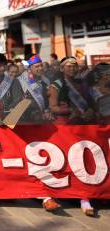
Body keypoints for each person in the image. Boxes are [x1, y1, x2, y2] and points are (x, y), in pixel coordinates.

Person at [48, 56, 96, 216]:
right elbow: (53, 108)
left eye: (74, 66)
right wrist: (69, 111)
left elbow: (92, 103)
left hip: (82, 127)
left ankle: (85, 199)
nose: (72, 68)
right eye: (68, 66)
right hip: (64, 129)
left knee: (83, 163)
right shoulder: (56, 85)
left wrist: (91, 110)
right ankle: (56, 195)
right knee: (64, 164)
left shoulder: (83, 83)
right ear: (62, 68)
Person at [10, 55, 58, 212]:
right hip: (23, 124)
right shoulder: (19, 81)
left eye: (40, 66)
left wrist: (46, 111)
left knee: (40, 159)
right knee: (27, 159)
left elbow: (46, 102)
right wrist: (35, 112)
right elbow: (18, 101)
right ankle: (39, 194)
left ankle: (44, 194)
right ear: (30, 68)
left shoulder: (44, 81)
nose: (39, 68)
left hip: (39, 124)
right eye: (36, 66)